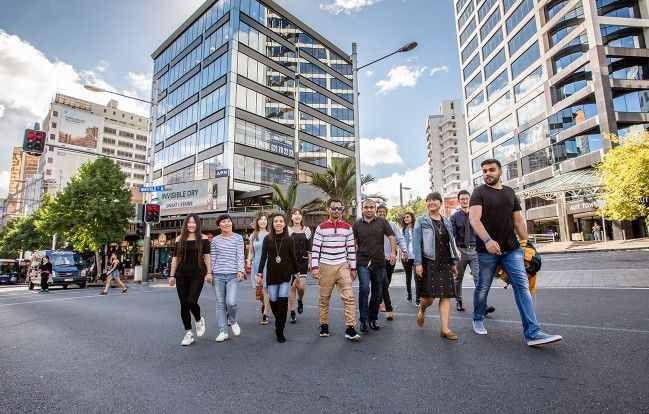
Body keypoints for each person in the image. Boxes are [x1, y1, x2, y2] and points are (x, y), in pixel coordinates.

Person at [470, 159, 562, 347]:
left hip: (511, 249)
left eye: (491, 170)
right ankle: (478, 317)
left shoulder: (509, 192)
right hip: (486, 250)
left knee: (522, 287)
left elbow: (518, 221)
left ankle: (533, 333)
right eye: (484, 171)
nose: (487, 173)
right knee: (483, 285)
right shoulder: (479, 192)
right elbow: (474, 219)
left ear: (500, 171)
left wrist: (527, 244)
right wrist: (487, 240)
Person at [311, 198, 360, 341]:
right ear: (328, 209)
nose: (336, 211)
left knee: (349, 298)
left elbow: (351, 249)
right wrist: (315, 267)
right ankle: (323, 325)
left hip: (342, 265)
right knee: (324, 298)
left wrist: (353, 268)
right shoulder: (321, 228)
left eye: (339, 208)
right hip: (325, 266)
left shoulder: (347, 228)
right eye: (333, 208)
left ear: (342, 210)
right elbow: (315, 249)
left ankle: (350, 328)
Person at [413, 192, 460, 340]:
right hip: (428, 261)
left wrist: (453, 262)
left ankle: (444, 329)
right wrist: (418, 263)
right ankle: (422, 308)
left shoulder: (447, 222)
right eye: (429, 200)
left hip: (445, 262)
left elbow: (450, 243)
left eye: (434, 200)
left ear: (440, 203)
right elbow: (416, 243)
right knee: (429, 298)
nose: (431, 202)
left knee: (446, 295)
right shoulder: (421, 221)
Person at [352, 199, 396, 333]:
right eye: (366, 207)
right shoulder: (357, 224)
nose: (369, 209)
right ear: (362, 209)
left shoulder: (382, 222)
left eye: (371, 207)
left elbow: (391, 237)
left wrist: (393, 252)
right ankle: (363, 320)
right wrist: (351, 261)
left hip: (379, 262)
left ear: (375, 209)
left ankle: (373, 318)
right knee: (364, 289)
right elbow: (352, 242)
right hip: (362, 262)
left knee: (377, 293)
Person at [168, 214, 211, 346]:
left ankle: (198, 320)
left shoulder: (203, 238)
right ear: (185, 224)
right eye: (189, 222)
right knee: (184, 304)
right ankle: (188, 333)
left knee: (191, 301)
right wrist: (172, 275)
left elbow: (207, 256)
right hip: (181, 274)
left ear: (197, 224)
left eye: (194, 222)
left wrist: (209, 272)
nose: (191, 225)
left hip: (198, 274)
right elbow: (175, 258)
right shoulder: (179, 239)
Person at [450, 190, 495, 315]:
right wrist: (455, 251)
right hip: (460, 251)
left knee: (478, 278)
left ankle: (482, 305)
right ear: (459, 201)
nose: (465, 201)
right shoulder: (454, 217)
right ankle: (459, 301)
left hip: (474, 250)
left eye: (467, 198)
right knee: (458, 279)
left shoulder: (476, 215)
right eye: (462, 199)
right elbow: (451, 236)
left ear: (470, 200)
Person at [257, 213, 299, 343]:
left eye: (281, 221)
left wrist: (297, 273)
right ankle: (280, 319)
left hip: (286, 274)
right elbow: (263, 257)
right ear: (272, 224)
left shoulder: (290, 239)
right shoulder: (267, 239)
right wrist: (259, 273)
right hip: (272, 274)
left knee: (283, 301)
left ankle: (279, 330)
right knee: (273, 300)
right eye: (276, 221)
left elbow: (293, 257)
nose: (278, 223)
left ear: (285, 223)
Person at [209, 214, 245, 343]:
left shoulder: (238, 238)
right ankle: (223, 331)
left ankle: (233, 321)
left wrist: (241, 270)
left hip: (233, 275)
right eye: (223, 222)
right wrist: (210, 273)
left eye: (228, 221)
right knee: (220, 304)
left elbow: (240, 255)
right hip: (218, 275)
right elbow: (213, 258)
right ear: (219, 226)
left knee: (231, 302)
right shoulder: (215, 240)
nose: (227, 224)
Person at [376, 205, 408, 321]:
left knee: (387, 282)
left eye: (384, 211)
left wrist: (404, 250)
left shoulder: (392, 225)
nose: (382, 213)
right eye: (379, 211)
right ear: (376, 213)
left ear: (387, 213)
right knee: (384, 283)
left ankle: (379, 301)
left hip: (391, 259)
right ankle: (388, 309)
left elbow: (400, 239)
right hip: (378, 259)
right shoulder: (374, 225)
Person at [288, 208, 311, 324]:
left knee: (300, 287)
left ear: (302, 217)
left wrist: (310, 262)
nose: (297, 216)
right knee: (292, 287)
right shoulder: (287, 230)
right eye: (295, 214)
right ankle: (292, 312)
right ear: (291, 217)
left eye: (299, 214)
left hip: (302, 261)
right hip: (290, 262)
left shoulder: (307, 230)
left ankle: (300, 300)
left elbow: (309, 248)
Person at [247, 213, 271, 325]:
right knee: (258, 290)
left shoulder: (270, 234)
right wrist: (248, 261)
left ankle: (265, 314)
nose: (263, 221)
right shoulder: (253, 235)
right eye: (261, 219)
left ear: (267, 222)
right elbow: (251, 252)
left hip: (268, 265)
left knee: (265, 288)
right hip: (256, 264)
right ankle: (265, 304)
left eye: (265, 219)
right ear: (257, 222)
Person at [401, 212, 417, 304]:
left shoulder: (417, 229)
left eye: (408, 217)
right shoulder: (402, 230)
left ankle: (418, 297)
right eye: (404, 217)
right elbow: (400, 242)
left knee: (417, 277)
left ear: (412, 218)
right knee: (408, 277)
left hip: (416, 256)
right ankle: (409, 294)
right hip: (406, 257)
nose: (406, 218)